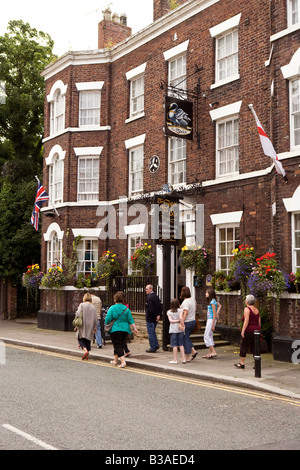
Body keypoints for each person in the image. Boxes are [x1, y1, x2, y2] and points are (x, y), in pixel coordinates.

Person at [105, 291, 138, 368]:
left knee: (118, 345)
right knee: (119, 344)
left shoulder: (112, 308)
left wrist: (107, 323)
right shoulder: (126, 309)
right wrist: (135, 329)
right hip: (125, 330)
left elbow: (107, 319)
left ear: (115, 299)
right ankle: (115, 360)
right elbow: (131, 320)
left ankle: (123, 362)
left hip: (115, 329)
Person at [234, 294, 261, 369]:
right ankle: (257, 364)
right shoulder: (257, 310)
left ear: (247, 302)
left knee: (244, 346)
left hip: (249, 330)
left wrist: (243, 331)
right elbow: (259, 321)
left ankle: (242, 363)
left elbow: (246, 320)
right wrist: (259, 330)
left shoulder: (247, 309)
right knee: (255, 347)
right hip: (256, 330)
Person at [74, 292, 98, 360]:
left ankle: (85, 351)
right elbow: (96, 318)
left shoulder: (81, 305)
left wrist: (76, 325)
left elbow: (78, 315)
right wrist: (95, 327)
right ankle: (87, 355)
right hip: (90, 325)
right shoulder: (93, 306)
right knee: (88, 339)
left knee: (80, 338)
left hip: (82, 324)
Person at [203, 287, 221, 359]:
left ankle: (213, 351)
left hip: (211, 320)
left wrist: (213, 325)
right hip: (210, 319)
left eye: (206, 292)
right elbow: (220, 306)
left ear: (210, 294)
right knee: (210, 336)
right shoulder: (213, 301)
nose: (205, 294)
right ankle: (210, 353)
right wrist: (217, 313)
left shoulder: (212, 302)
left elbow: (213, 314)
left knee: (206, 335)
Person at [180, 286, 197, 362]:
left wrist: (182, 322)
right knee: (186, 337)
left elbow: (185, 313)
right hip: (193, 321)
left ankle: (187, 357)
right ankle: (193, 350)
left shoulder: (186, 302)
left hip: (187, 322)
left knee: (185, 339)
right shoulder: (192, 300)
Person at [167, 299, 186, 364]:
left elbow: (170, 321)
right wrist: (183, 325)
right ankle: (183, 359)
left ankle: (175, 359)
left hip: (173, 329)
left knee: (174, 345)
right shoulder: (180, 310)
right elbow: (181, 318)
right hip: (180, 329)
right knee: (181, 344)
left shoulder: (169, 312)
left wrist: (176, 320)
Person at [145, 284, 162, 353]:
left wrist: (155, 315)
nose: (145, 290)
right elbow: (159, 306)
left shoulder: (149, 297)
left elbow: (151, 308)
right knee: (153, 332)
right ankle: (156, 345)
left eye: (147, 289)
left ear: (151, 289)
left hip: (150, 318)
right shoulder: (156, 296)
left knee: (151, 333)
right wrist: (158, 315)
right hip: (156, 317)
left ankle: (153, 347)